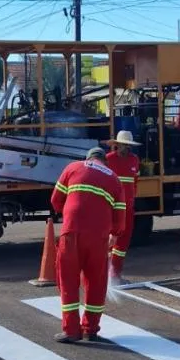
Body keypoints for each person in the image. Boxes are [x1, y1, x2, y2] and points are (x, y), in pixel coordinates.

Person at [50, 147, 127, 343]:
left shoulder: (73, 167)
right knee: (96, 283)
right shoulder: (114, 179)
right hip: (99, 237)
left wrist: (70, 214)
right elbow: (120, 218)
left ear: (88, 158)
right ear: (105, 162)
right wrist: (114, 234)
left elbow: (56, 200)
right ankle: (90, 330)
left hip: (72, 232)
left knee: (68, 280)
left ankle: (71, 330)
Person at [105, 130, 141, 283]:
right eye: (123, 145)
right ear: (117, 144)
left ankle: (115, 274)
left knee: (123, 242)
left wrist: (133, 198)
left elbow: (135, 182)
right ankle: (104, 273)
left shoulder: (134, 160)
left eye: (128, 145)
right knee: (108, 241)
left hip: (128, 208)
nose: (125, 148)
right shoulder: (108, 159)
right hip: (112, 208)